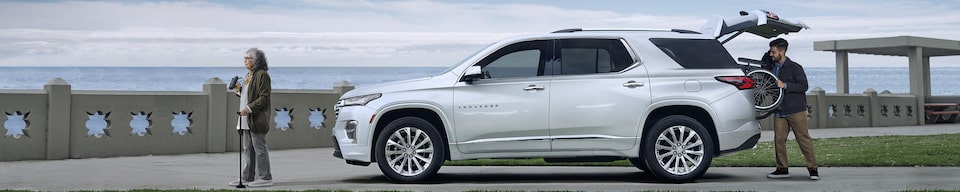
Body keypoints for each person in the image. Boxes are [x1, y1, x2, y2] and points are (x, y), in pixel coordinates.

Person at [765, 38, 819, 180]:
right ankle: (782, 169)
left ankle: (813, 169)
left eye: (773, 51)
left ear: (782, 52)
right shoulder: (771, 67)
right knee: (779, 140)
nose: (771, 54)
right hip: (779, 110)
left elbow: (803, 86)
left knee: (803, 139)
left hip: (795, 110)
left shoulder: (795, 67)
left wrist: (786, 85)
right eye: (770, 51)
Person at [229, 48, 273, 187]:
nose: (245, 60)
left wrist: (249, 108)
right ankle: (247, 177)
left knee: (259, 148)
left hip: (256, 118)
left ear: (256, 61)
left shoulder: (262, 75)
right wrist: (239, 90)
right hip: (245, 118)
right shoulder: (249, 75)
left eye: (248, 58)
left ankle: (265, 177)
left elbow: (264, 97)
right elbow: (249, 95)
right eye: (245, 58)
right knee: (248, 149)